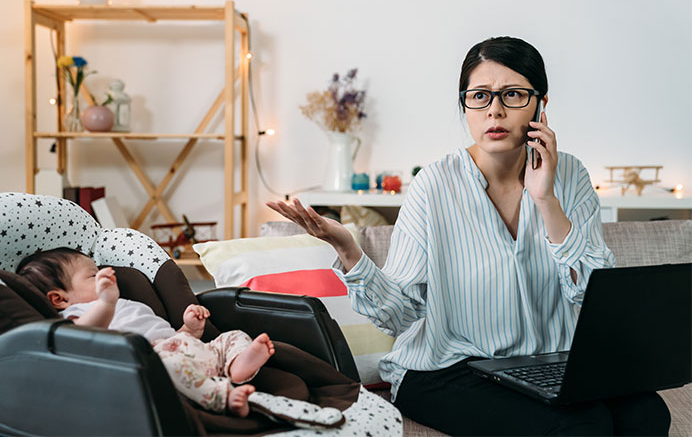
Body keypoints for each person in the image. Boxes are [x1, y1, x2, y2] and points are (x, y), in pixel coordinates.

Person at [266, 36, 671, 435]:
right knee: (580, 427)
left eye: (512, 94)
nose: (494, 110)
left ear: (541, 104)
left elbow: (590, 295)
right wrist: (348, 249)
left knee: (648, 414)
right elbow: (399, 314)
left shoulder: (571, 176)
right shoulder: (434, 185)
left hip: (546, 364)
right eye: (479, 96)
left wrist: (546, 199)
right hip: (446, 369)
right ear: (465, 104)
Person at [17, 248, 275, 417]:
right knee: (171, 367)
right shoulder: (77, 314)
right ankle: (223, 397)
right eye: (92, 275)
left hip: (179, 345)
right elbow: (82, 335)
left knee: (233, 335)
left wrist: (190, 328)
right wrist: (106, 302)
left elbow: (167, 333)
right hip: (152, 360)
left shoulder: (125, 302)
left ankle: (237, 365)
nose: (104, 276)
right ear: (59, 299)